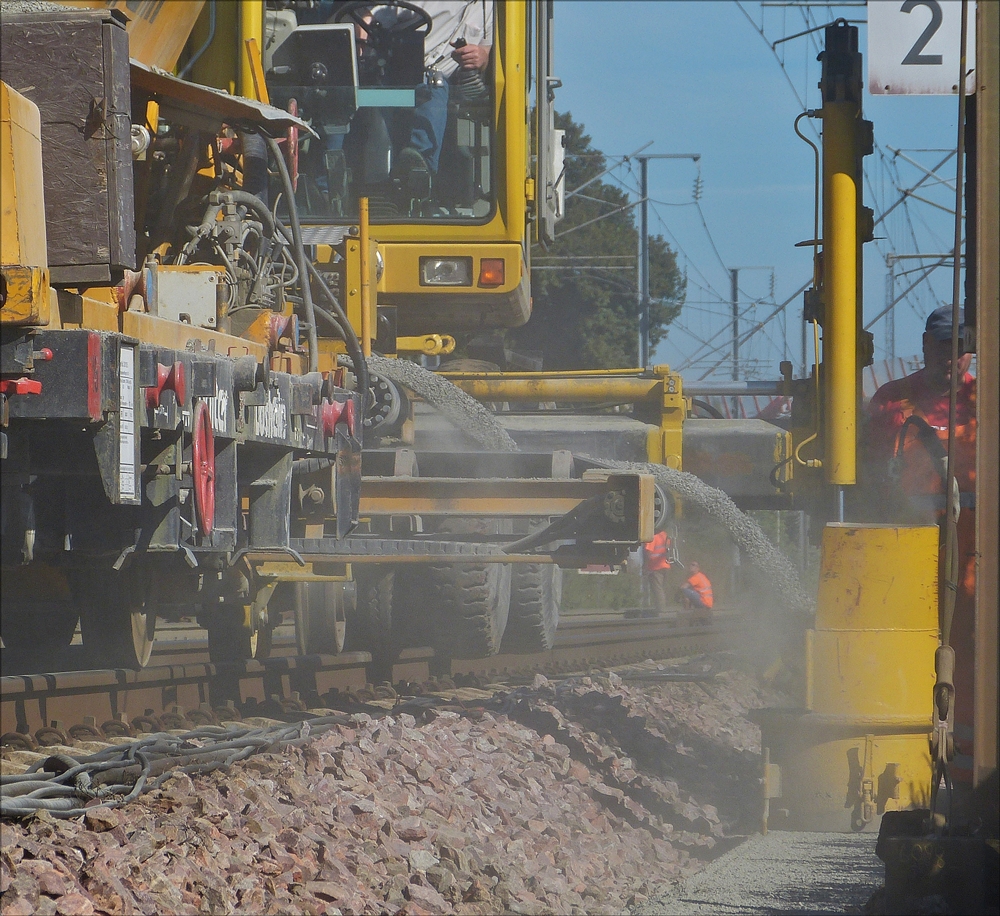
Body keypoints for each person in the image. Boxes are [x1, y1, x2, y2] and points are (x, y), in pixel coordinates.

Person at [861, 304, 976, 784]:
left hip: (971, 548)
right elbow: (866, 473)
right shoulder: (892, 402)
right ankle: (905, 756)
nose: (949, 358)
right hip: (908, 544)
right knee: (906, 641)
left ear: (969, 352)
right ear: (925, 347)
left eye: (959, 348)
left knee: (971, 644)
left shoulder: (983, 401)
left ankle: (967, 762)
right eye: (940, 347)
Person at [370, 0, 493, 177]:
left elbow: (484, 56)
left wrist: (480, 58)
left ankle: (418, 172)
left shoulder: (490, 8)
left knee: (436, 86)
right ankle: (328, 186)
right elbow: (372, 20)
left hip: (445, 84)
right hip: (395, 73)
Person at [642, 529, 672, 618]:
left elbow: (648, 552)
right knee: (662, 588)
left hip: (656, 567)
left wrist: (645, 566)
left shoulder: (652, 537)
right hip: (666, 565)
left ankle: (661, 610)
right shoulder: (664, 535)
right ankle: (665, 607)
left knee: (657, 589)